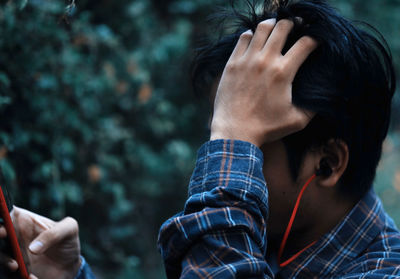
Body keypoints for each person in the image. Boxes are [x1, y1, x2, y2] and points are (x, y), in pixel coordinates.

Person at [1, 0, 400, 278]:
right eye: (223, 134)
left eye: (246, 142)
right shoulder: (266, 242)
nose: (227, 164)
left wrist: (232, 136)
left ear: (327, 163)